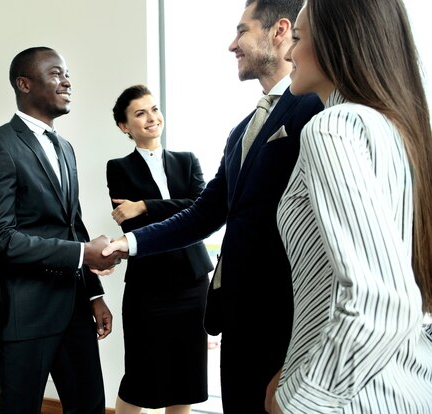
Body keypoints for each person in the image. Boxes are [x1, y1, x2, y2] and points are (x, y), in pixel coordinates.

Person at [99, 1, 323, 413]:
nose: (231, 45)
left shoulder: (316, 108)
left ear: (279, 31)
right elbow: (204, 212)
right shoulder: (241, 131)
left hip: (286, 319)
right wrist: (126, 244)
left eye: (242, 31)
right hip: (237, 315)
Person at [265, 1, 432, 412]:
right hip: (408, 385)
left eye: (298, 40)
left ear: (340, 42)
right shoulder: (403, 131)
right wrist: (297, 365)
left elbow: (383, 302)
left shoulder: (332, 128)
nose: (287, 54)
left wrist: (301, 400)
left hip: (355, 401)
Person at [0, 46, 124, 414]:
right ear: (24, 84)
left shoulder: (66, 148)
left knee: (89, 407)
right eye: (55, 73)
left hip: (74, 307)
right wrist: (80, 254)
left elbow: (73, 226)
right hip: (25, 312)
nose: (67, 81)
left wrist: (93, 294)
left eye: (67, 73)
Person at [107, 85, 213, 414]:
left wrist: (144, 205)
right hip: (148, 287)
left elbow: (203, 210)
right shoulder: (118, 168)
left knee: (187, 375)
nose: (152, 117)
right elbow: (131, 228)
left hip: (192, 283)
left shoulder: (187, 160)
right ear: (124, 126)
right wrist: (157, 211)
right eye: (140, 113)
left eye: (154, 109)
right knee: (140, 374)